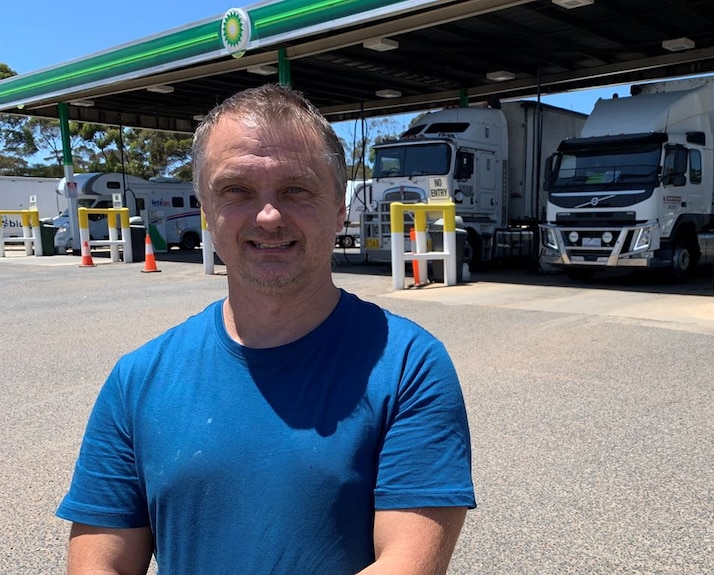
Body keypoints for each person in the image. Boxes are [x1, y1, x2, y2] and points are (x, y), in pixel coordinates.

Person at [56, 84, 476, 574]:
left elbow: (407, 563)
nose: (269, 215)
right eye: (237, 190)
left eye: (296, 189)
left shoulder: (410, 367)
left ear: (340, 207)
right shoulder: (137, 379)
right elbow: (98, 563)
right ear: (207, 211)